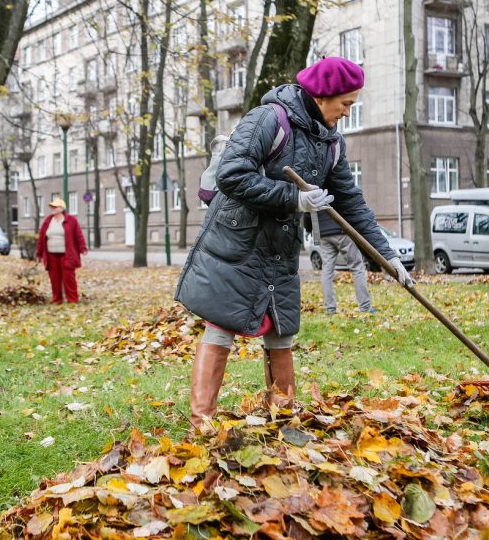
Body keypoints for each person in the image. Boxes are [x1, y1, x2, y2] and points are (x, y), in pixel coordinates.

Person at [175, 56, 414, 431]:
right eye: (346, 103)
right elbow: (231, 175)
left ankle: (283, 417)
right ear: (323, 96)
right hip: (236, 242)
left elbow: (350, 201)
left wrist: (388, 256)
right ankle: (201, 422)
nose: (348, 112)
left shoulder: (331, 141)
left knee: (281, 329)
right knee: (222, 324)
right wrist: (294, 198)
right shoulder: (268, 119)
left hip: (280, 246)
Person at [316, 210, 375, 314]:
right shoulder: (340, 192)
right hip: (342, 229)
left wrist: (312, 228)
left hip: (323, 233)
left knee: (327, 271)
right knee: (357, 267)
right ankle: (365, 307)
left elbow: (308, 213)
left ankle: (330, 308)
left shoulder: (312, 192)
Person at [35, 198, 87, 304]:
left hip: (67, 255)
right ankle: (57, 299)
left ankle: (72, 300)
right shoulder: (48, 220)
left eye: (55, 207)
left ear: (62, 208)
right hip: (51, 255)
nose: (53, 208)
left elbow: (78, 235)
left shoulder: (71, 220)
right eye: (52, 207)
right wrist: (39, 253)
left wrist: (83, 248)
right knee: (55, 278)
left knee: (69, 278)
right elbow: (41, 238)